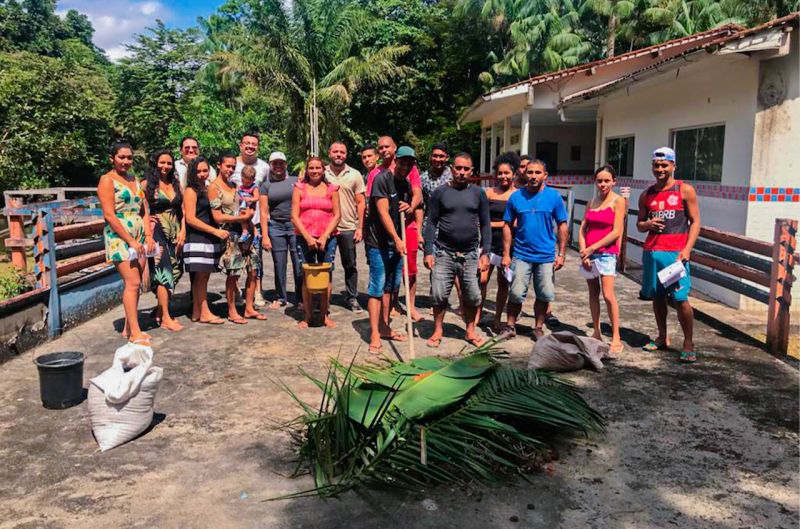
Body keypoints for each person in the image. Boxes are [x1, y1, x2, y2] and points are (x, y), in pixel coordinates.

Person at [637, 147, 700, 363]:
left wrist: (687, 250)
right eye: (657, 165)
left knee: (681, 299)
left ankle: (688, 342)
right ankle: (662, 337)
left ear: (673, 166)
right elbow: (639, 225)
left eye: (665, 165)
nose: (660, 169)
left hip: (675, 256)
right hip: (653, 252)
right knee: (658, 297)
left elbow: (696, 222)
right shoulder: (647, 194)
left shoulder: (685, 190)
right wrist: (647, 223)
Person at [423, 153, 491, 348]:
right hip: (444, 252)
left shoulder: (478, 193)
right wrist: (428, 250)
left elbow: (485, 225)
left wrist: (485, 252)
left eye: (466, 169)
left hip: (470, 254)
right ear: (452, 169)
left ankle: (470, 331)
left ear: (472, 171)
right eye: (458, 168)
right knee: (438, 294)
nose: (462, 173)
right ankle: (438, 330)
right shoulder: (440, 193)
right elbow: (431, 223)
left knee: (472, 295)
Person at [500, 159, 568, 341]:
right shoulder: (516, 197)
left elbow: (562, 224)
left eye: (538, 172)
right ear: (524, 174)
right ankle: (510, 326)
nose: (533, 176)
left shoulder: (554, 197)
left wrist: (561, 254)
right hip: (521, 254)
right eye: (529, 172)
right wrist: (506, 254)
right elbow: (506, 225)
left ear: (545, 175)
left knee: (544, 293)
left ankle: (538, 328)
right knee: (515, 292)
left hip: (546, 256)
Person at [98, 140, 156, 345]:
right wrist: (130, 240)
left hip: (139, 232)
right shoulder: (107, 180)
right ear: (112, 158)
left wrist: (148, 235)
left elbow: (144, 208)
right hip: (120, 235)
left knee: (137, 282)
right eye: (121, 157)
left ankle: (129, 327)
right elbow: (109, 215)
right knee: (132, 283)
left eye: (129, 157)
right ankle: (135, 333)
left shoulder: (134, 179)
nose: (125, 161)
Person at [364, 146, 419, 353]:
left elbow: (412, 200)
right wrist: (396, 238)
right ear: (395, 160)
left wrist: (410, 206)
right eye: (403, 162)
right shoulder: (382, 179)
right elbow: (383, 212)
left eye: (409, 163)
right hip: (379, 243)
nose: (405, 166)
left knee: (391, 287)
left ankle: (385, 326)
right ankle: (375, 334)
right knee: (377, 288)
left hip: (397, 243)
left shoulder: (405, 184)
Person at [209, 154, 265, 324]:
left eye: (233, 167)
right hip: (231, 234)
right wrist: (242, 219)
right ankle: (232, 310)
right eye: (228, 166)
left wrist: (248, 216)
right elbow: (217, 217)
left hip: (248, 233)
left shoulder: (235, 185)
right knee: (234, 274)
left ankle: (249, 308)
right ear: (219, 165)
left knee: (253, 271)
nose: (231, 169)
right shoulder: (214, 187)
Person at [578, 165, 627, 357]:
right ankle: (596, 331)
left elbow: (616, 231)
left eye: (607, 180)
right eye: (600, 180)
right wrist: (584, 251)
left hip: (606, 253)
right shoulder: (592, 201)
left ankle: (616, 336)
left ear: (614, 181)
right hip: (589, 254)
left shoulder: (618, 201)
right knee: (593, 293)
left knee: (608, 294)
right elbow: (583, 228)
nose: (603, 184)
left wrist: (592, 248)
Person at [291, 156, 341, 328]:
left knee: (326, 277)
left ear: (323, 169)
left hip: (328, 237)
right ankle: (308, 314)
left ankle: (324, 314)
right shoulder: (299, 188)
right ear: (307, 170)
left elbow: (337, 215)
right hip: (304, 237)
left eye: (317, 168)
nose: (314, 171)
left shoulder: (331, 189)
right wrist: (308, 237)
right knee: (306, 277)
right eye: (311, 168)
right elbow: (294, 216)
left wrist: (325, 235)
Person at [183, 157, 229, 324]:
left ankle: (197, 311)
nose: (202, 174)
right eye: (198, 171)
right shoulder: (191, 191)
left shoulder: (206, 188)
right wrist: (215, 231)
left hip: (208, 237)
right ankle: (205, 313)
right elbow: (190, 218)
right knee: (201, 277)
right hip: (198, 237)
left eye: (205, 170)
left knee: (202, 277)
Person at [144, 149, 185, 332]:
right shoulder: (146, 185)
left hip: (175, 231)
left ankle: (161, 310)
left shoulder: (176, 185)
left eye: (169, 163)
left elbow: (182, 211)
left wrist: (183, 231)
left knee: (176, 270)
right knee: (163, 271)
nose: (165, 166)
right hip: (157, 232)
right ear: (155, 163)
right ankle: (167, 317)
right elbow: (140, 209)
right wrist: (147, 228)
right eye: (162, 162)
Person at [324, 141, 366, 313]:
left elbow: (361, 202)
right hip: (327, 228)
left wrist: (360, 227)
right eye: (335, 151)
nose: (339, 155)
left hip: (348, 226)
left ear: (346, 155)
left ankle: (352, 297)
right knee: (326, 265)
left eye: (342, 152)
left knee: (350, 264)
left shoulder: (354, 174)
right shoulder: (321, 173)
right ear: (329, 153)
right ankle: (324, 299)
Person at [478, 154, 517, 333]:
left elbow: (516, 223)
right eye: (500, 173)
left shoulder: (517, 196)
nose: (503, 176)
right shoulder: (488, 193)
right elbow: (480, 218)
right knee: (482, 280)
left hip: (507, 246)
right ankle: (477, 313)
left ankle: (497, 318)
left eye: (507, 173)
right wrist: (499, 224)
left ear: (514, 174)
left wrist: (494, 223)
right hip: (487, 243)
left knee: (503, 284)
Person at [260, 151, 302, 309]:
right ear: (270, 165)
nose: (278, 166)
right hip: (276, 227)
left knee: (298, 262)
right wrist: (265, 235)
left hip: (295, 226)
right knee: (279, 263)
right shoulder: (266, 185)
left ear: (285, 164)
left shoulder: (296, 181)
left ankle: (301, 298)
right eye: (274, 163)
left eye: (281, 163)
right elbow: (264, 211)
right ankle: (280, 296)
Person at [237, 165, 260, 243]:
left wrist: (250, 199)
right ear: (241, 178)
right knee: (245, 219)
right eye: (244, 181)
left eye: (248, 182)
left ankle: (248, 233)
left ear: (253, 179)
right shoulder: (241, 187)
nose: (246, 184)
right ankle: (252, 233)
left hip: (250, 207)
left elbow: (257, 197)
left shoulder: (254, 187)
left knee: (247, 220)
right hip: (242, 206)